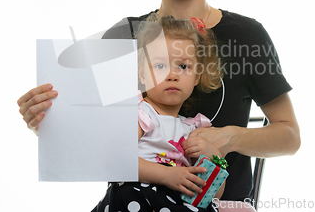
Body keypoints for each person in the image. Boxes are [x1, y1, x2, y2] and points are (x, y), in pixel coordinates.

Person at [18, 0, 300, 205]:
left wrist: (230, 137)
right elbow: (93, 140)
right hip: (136, 201)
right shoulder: (126, 36)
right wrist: (47, 123)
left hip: (217, 205)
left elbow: (289, 137)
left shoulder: (247, 35)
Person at [92, 14, 226, 212]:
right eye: (160, 65)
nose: (172, 75)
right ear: (142, 74)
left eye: (183, 66)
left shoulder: (194, 129)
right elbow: (115, 159)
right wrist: (167, 175)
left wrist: (213, 155)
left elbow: (215, 193)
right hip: (137, 198)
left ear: (197, 76)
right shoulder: (140, 114)